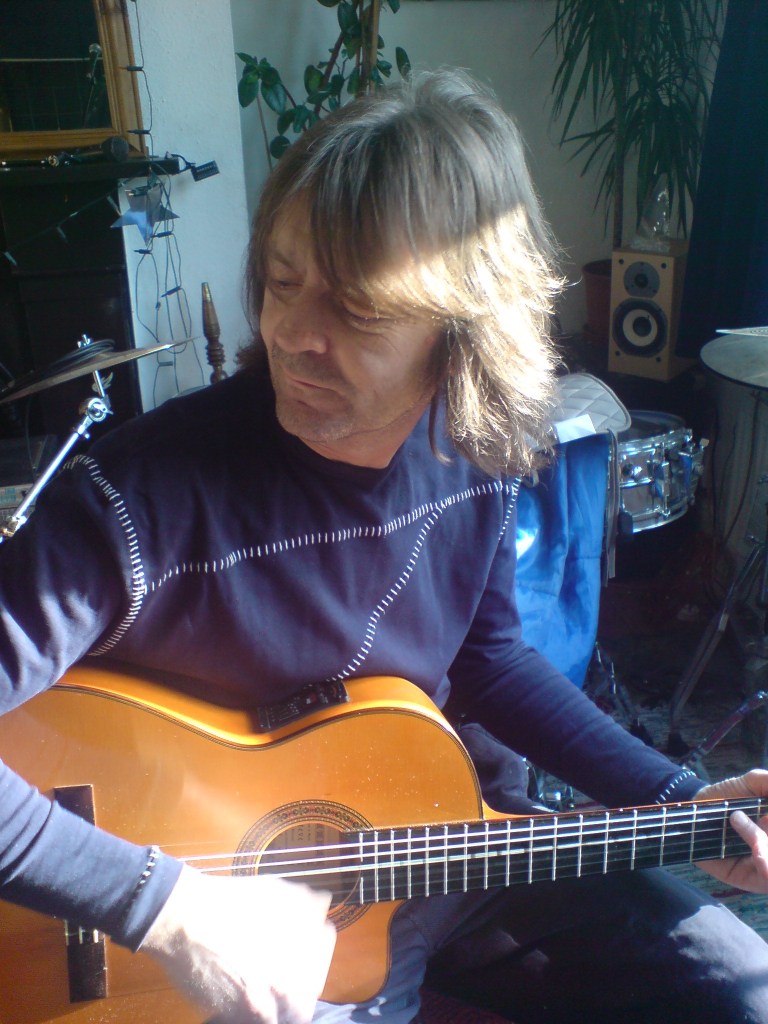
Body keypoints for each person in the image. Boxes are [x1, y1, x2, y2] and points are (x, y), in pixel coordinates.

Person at [0, 69, 767, 1024]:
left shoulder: (479, 446)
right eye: (282, 283)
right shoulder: (134, 503)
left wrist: (678, 799)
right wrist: (166, 908)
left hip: (455, 843)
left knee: (745, 992)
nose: (292, 334)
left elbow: (489, 659)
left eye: (357, 311)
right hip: (219, 916)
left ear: (464, 332)